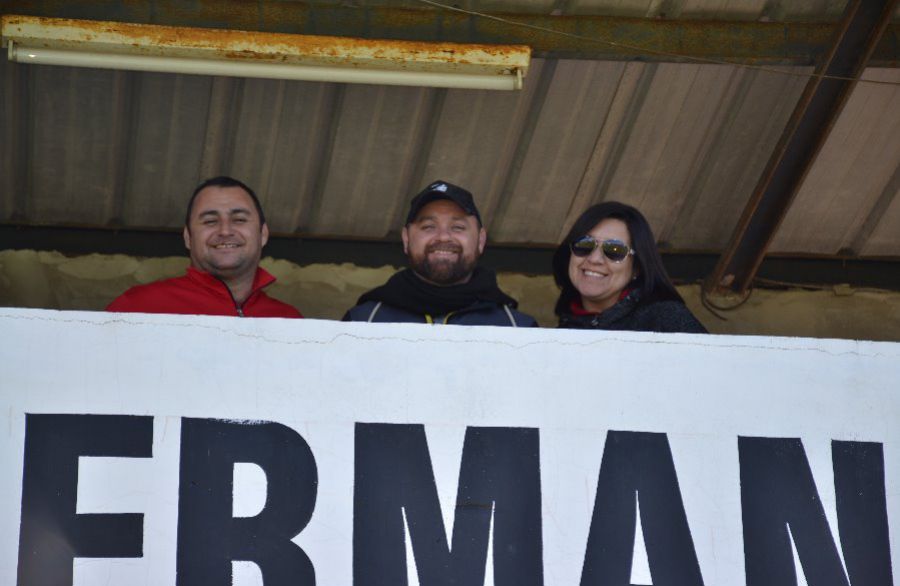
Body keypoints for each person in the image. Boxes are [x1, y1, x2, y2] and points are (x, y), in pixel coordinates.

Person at [344, 180, 536, 326]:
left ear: (481, 240)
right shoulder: (363, 321)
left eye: (458, 227)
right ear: (406, 239)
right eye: (428, 227)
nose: (443, 237)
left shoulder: (518, 328)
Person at [107, 176, 302, 318]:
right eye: (210, 221)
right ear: (188, 237)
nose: (225, 230)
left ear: (263, 234)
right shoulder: (138, 307)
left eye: (240, 219)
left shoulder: (290, 322)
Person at [553, 201, 706, 333]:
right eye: (585, 244)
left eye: (615, 250)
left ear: (637, 268)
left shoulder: (667, 318)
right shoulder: (560, 333)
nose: (595, 259)